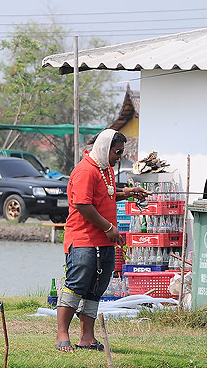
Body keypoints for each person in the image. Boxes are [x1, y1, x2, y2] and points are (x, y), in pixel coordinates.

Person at [56, 130, 147, 352]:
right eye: (117, 152)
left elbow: (106, 194)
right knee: (77, 284)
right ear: (105, 149)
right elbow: (83, 204)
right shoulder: (85, 171)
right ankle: (62, 335)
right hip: (84, 239)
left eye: (121, 152)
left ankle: (87, 338)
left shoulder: (103, 170)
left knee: (96, 288)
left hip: (104, 241)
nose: (120, 157)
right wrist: (108, 228)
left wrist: (128, 193)